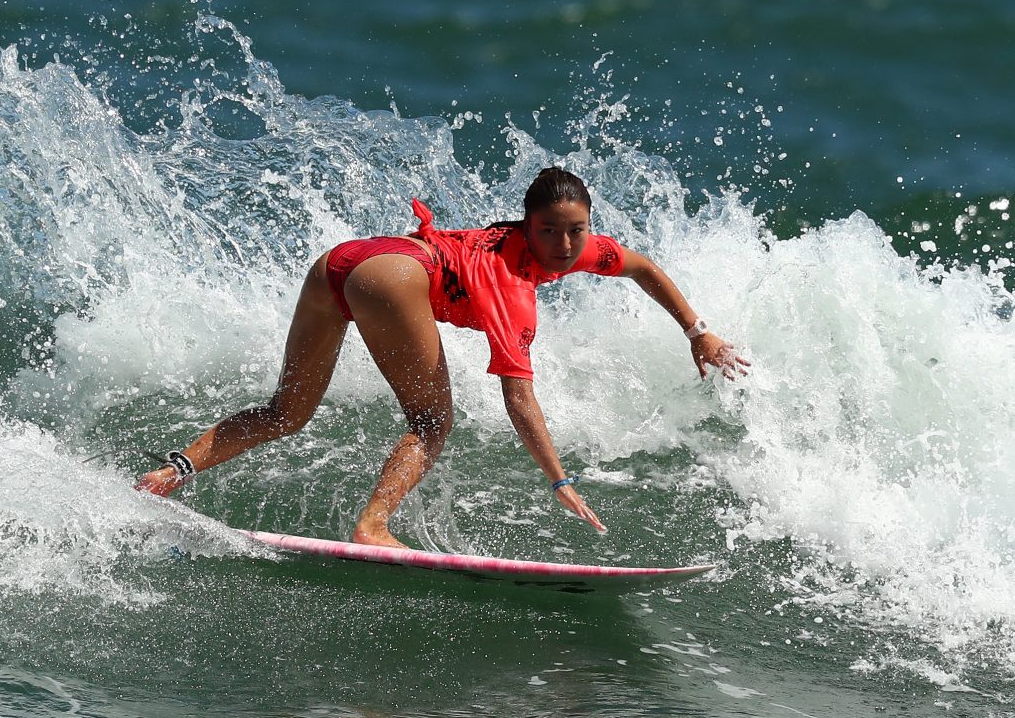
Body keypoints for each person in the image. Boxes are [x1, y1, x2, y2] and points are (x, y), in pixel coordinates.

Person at [135, 167, 750, 546]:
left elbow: (641, 266)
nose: (565, 245)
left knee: (286, 411)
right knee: (432, 422)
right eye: (550, 231)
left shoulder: (573, 249)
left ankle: (169, 474)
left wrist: (698, 331)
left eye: (577, 230)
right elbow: (519, 399)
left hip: (344, 261)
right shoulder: (510, 285)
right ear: (524, 225)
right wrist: (558, 479)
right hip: (393, 276)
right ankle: (373, 526)